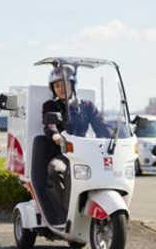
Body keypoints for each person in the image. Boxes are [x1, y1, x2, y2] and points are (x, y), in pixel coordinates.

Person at [42, 65, 111, 216]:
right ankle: (69, 211)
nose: (60, 89)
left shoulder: (86, 106)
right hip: (63, 153)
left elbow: (102, 126)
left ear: (72, 85)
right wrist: (55, 135)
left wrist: (115, 136)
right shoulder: (50, 105)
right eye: (57, 85)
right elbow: (49, 125)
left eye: (64, 85)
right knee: (56, 168)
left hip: (85, 154)